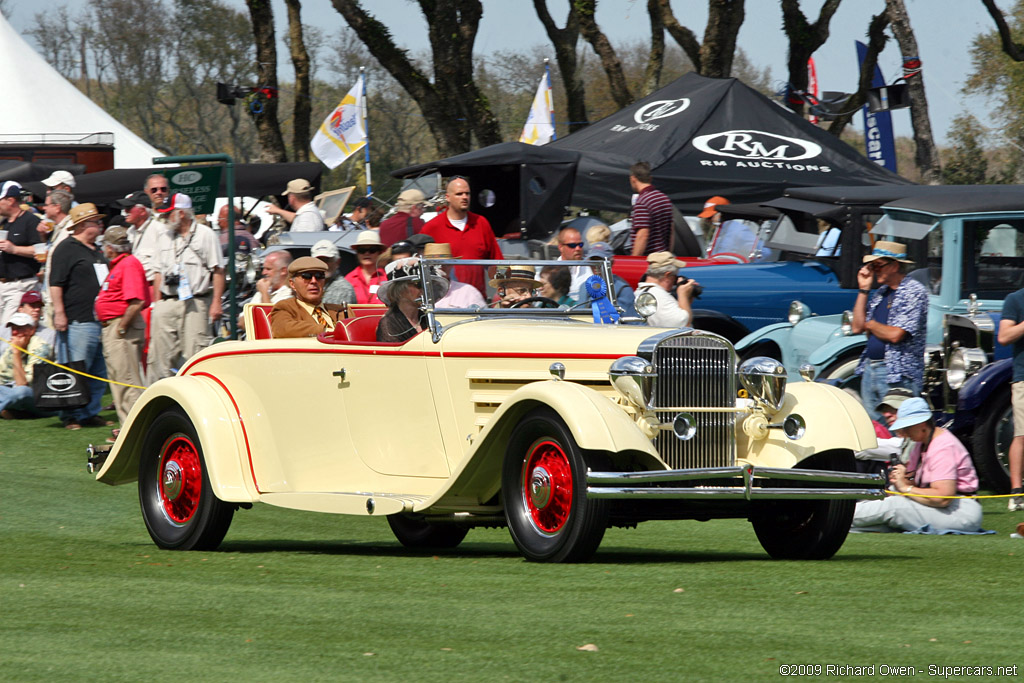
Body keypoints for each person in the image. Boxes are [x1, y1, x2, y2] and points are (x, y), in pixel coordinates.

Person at [852, 398, 983, 533]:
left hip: (960, 511)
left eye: (907, 427)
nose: (904, 432)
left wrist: (905, 488)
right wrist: (902, 479)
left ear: (922, 425)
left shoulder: (943, 446)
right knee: (875, 522)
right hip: (942, 507)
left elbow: (943, 497)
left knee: (894, 507)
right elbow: (914, 483)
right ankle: (838, 522)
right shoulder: (920, 443)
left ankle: (839, 517)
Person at [147, 193, 225, 382]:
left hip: (196, 302)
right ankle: (157, 401)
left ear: (181, 213)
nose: (164, 218)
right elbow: (157, 271)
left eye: (168, 213)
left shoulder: (205, 234)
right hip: (167, 301)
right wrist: (157, 303)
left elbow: (218, 270)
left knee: (195, 355)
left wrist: (216, 304)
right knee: (158, 357)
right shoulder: (163, 236)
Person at [47, 203, 110, 430]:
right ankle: (71, 415)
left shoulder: (96, 250)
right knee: (74, 369)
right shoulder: (67, 248)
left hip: (98, 320)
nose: (100, 225)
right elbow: (56, 283)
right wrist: (60, 313)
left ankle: (90, 413)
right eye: (96, 221)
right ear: (83, 225)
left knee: (97, 370)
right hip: (77, 319)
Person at [851, 240, 929, 422]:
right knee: (875, 432)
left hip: (897, 374)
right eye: (872, 266)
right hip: (871, 369)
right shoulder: (881, 293)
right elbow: (857, 326)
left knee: (899, 430)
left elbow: (896, 335)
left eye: (878, 265)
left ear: (894, 266)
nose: (874, 270)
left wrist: (870, 325)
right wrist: (863, 289)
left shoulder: (914, 291)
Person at [94, 225, 149, 425]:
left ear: (110, 247)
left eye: (104, 246)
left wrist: (122, 327)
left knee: (128, 381)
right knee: (120, 381)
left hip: (122, 327)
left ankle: (138, 430)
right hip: (115, 327)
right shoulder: (120, 265)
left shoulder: (128, 264)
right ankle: (127, 429)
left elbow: (137, 301)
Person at [421, 177, 503, 296]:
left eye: (467, 193)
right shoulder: (431, 228)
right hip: (443, 301)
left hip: (477, 301)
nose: (464, 197)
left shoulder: (481, 223)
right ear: (447, 197)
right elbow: (421, 266)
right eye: (459, 194)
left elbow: (497, 263)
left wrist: (503, 289)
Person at [375, 257, 448, 342]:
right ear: (401, 289)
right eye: (419, 284)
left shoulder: (428, 318)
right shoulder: (389, 324)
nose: (424, 290)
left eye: (428, 285)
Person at [0, 181, 43, 326]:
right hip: (3, 285)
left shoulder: (31, 221)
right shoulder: (4, 223)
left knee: (7, 329)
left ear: (10, 200)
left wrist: (14, 249)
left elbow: (41, 250)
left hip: (20, 285)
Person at [997, 283, 1024, 510]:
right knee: (1022, 434)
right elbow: (1004, 336)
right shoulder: (1015, 299)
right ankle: (1016, 493)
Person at [270, 257, 343, 338]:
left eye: (319, 276)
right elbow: (283, 329)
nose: (314, 281)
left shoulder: (341, 311)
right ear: (292, 284)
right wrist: (328, 331)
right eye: (306, 276)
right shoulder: (285, 307)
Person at [0, 311, 55, 419]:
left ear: (31, 330)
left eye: (19, 328)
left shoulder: (40, 348)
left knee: (21, 392)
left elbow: (22, 384)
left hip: (39, 397)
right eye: (13, 328)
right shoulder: (12, 347)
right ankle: (16, 412)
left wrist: (16, 353)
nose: (15, 332)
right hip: (11, 391)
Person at [634, 251, 698, 327]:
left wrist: (687, 300)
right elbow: (684, 324)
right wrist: (682, 294)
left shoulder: (640, 291)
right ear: (667, 275)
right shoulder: (659, 297)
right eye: (675, 276)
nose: (676, 281)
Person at [628, 161, 673, 256]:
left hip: (649, 260)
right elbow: (671, 231)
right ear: (650, 178)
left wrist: (634, 260)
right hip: (663, 257)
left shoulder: (642, 201)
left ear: (633, 179)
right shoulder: (664, 198)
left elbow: (643, 235)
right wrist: (668, 254)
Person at [583, 241, 637, 318]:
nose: (596, 265)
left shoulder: (623, 290)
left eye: (601, 261)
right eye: (593, 261)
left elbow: (632, 322)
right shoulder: (584, 287)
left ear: (611, 263)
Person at [428, 242, 486, 309]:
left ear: (452, 265)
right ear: (426, 267)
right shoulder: (417, 292)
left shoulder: (468, 291)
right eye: (434, 264)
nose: (441, 267)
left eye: (446, 263)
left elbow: (483, 317)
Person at [345, 230, 386, 304]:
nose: (367, 253)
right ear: (357, 253)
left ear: (379, 253)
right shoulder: (348, 280)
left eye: (372, 250)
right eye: (362, 250)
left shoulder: (388, 278)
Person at [311, 240, 357, 306]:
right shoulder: (310, 285)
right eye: (319, 261)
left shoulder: (343, 289)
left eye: (326, 260)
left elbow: (335, 315)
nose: (323, 265)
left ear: (337, 262)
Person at [555, 227, 590, 300]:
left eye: (580, 245)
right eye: (572, 245)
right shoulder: (551, 272)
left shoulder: (591, 268)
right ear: (561, 247)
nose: (578, 248)